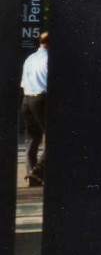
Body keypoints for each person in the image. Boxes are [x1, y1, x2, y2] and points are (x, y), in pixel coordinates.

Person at [21, 32, 49, 186]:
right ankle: (37, 172)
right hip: (41, 98)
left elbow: (23, 82)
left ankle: (32, 174)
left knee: (32, 138)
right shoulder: (49, 58)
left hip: (27, 98)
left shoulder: (30, 58)